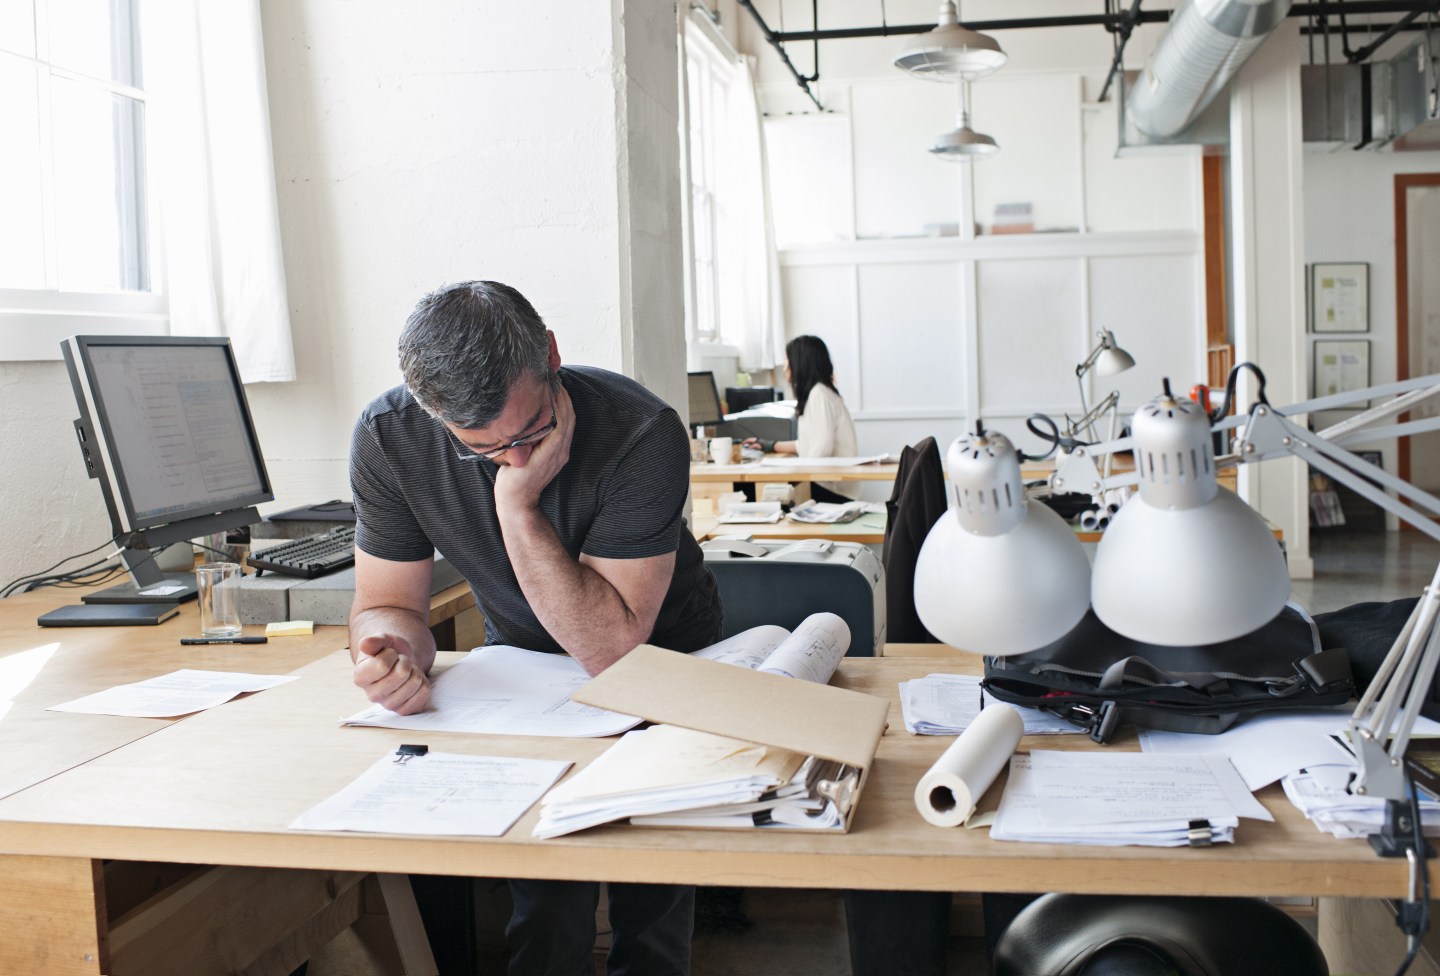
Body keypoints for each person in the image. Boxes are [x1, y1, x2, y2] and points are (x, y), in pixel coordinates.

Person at [348, 279, 723, 976]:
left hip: (659, 652)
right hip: (524, 665)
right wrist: (391, 652)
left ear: (550, 354)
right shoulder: (388, 437)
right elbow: (388, 604)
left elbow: (611, 646)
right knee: (544, 879)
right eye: (483, 449)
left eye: (532, 432)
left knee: (652, 885)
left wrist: (517, 507)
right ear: (432, 413)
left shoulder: (642, 431)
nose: (516, 459)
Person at [742, 334, 859, 502]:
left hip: (832, 488)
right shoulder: (819, 393)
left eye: (787, 359)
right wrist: (769, 445)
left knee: (756, 492)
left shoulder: (819, 395)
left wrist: (792, 471)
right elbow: (808, 444)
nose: (784, 366)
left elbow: (821, 450)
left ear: (800, 363)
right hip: (827, 484)